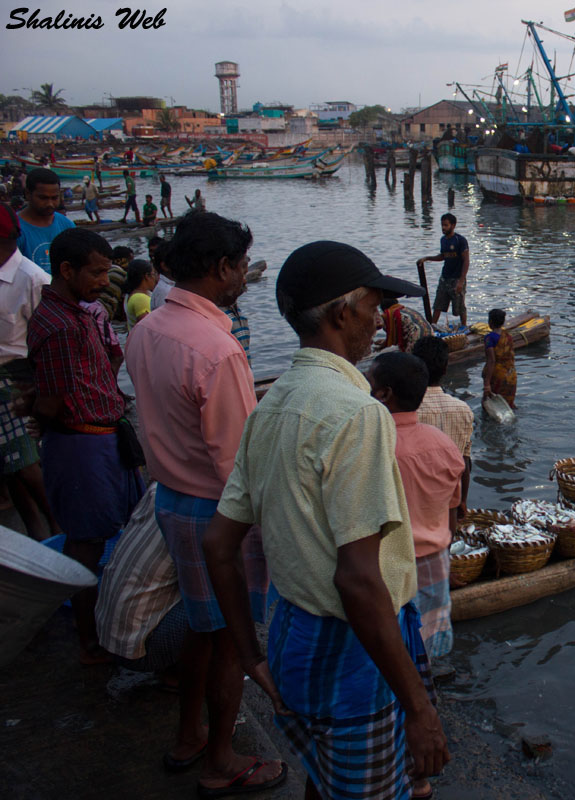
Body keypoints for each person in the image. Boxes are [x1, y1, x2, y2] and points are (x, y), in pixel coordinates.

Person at [203, 240, 449, 800]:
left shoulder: (272, 403)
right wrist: (419, 709)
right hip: (351, 651)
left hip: (292, 631)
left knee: (326, 775)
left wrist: (251, 655)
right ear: (342, 312)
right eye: (373, 308)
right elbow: (358, 579)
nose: (378, 323)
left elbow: (219, 543)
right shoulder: (358, 413)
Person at [124, 211, 281, 795]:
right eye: (240, 266)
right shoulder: (217, 348)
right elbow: (240, 464)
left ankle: (190, 734)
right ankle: (220, 759)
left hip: (170, 498)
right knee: (231, 642)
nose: (243, 276)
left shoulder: (147, 328)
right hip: (215, 512)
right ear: (221, 268)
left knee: (202, 627)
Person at [27, 227, 145, 663]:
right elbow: (52, 400)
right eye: (95, 273)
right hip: (81, 445)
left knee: (110, 532)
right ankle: (90, 642)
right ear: (66, 270)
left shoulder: (77, 314)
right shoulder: (59, 325)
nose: (103, 282)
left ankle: (105, 627)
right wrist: (41, 419)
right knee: (86, 542)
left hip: (101, 437)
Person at [367, 351, 463, 667]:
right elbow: (452, 510)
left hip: (389, 565)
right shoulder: (444, 444)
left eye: (369, 383)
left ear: (384, 394)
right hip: (435, 559)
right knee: (427, 643)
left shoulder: (373, 446)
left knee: (390, 652)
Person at [0, 203, 60, 541]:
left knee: (24, 462)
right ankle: (36, 532)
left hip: (20, 378)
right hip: (6, 377)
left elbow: (48, 342)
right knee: (11, 468)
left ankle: (56, 525)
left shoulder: (32, 279)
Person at [95, 484, 189, 676]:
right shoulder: (199, 509)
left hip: (108, 633)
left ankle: (177, 668)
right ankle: (180, 676)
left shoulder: (161, 486)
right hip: (139, 648)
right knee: (226, 599)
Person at [412, 335, 473, 515]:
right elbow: (465, 461)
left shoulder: (409, 410)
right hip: (449, 498)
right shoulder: (463, 409)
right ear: (445, 369)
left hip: (415, 500)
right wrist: (462, 501)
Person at [16, 168, 75, 273]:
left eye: (54, 198)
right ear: (28, 194)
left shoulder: (67, 225)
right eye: (43, 198)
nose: (50, 204)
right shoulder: (14, 229)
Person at [418, 212, 470, 329]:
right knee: (438, 304)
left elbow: (466, 261)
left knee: (459, 306)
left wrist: (461, 281)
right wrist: (427, 258)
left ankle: (464, 327)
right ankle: (432, 327)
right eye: (442, 225)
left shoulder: (460, 240)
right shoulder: (443, 240)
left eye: (446, 225)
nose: (443, 228)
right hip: (445, 277)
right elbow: (442, 256)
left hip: (456, 278)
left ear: (453, 225)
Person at [482, 307, 516, 409]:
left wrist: (487, 383)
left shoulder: (489, 338)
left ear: (490, 322)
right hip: (510, 375)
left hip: (497, 376)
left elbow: (491, 360)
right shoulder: (508, 337)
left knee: (488, 404)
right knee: (508, 406)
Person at [122, 258, 157, 328]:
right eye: (153, 274)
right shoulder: (140, 299)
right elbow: (147, 328)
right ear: (147, 276)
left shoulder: (131, 294)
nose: (155, 278)